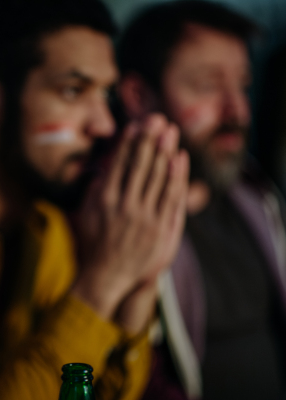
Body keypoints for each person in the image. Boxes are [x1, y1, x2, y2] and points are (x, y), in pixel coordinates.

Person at [0, 0, 190, 399]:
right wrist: (104, 282)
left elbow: (108, 392)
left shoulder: (48, 227)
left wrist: (141, 279)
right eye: (73, 91)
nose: (104, 125)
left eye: (104, 94)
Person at [118, 1, 286, 399]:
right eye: (208, 85)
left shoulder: (258, 197)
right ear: (140, 96)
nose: (236, 110)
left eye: (242, 85)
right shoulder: (112, 223)